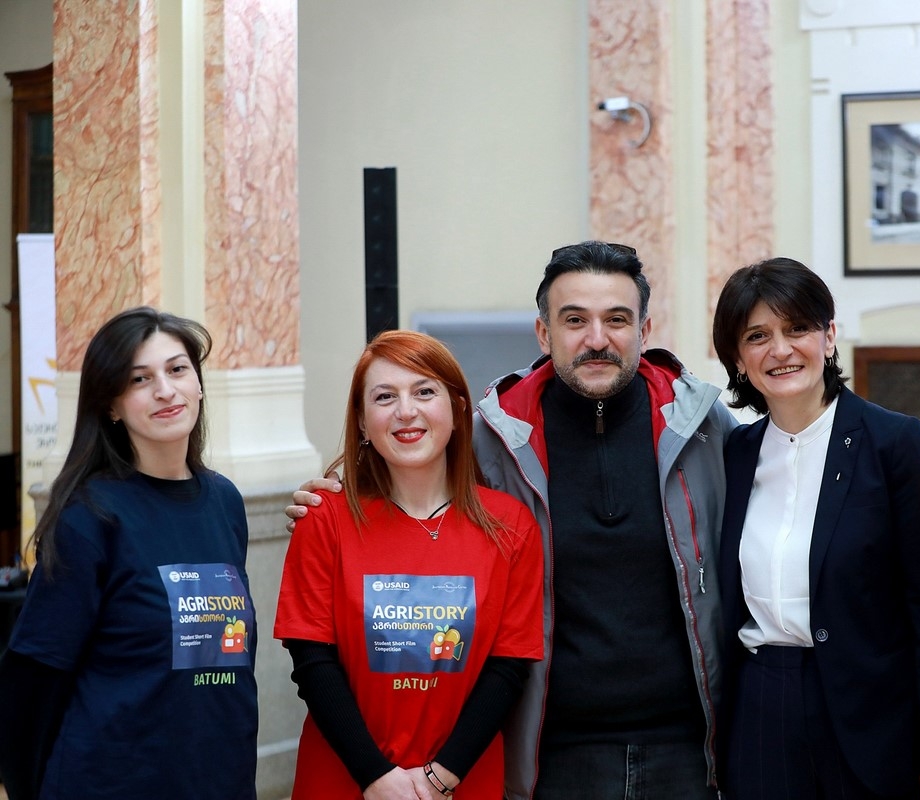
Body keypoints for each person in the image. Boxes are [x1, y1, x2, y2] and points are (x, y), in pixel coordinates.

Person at [289, 241, 738, 800]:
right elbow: (412, 472)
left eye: (617, 319)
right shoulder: (495, 436)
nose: (597, 338)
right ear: (544, 333)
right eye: (574, 320)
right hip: (552, 752)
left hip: (688, 748)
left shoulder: (703, 428)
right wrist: (332, 496)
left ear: (645, 330)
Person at [711, 258, 920, 800]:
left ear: (829, 336)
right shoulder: (735, 453)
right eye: (757, 336)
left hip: (871, 711)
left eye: (797, 328)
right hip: (761, 704)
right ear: (739, 359)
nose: (781, 349)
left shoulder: (894, 443)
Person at [0, 307, 258, 800]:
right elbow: (33, 676)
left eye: (177, 369)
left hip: (218, 777)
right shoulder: (90, 516)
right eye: (140, 379)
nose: (165, 390)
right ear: (112, 406)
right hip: (111, 782)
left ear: (199, 385)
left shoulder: (224, 501)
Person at [274, 330, 544, 800]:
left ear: (458, 410)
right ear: (362, 422)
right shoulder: (324, 519)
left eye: (424, 392)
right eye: (384, 397)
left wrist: (440, 779)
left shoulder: (511, 525)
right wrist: (376, 777)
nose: (405, 411)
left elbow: (508, 668)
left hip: (462, 782)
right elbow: (312, 662)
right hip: (344, 780)